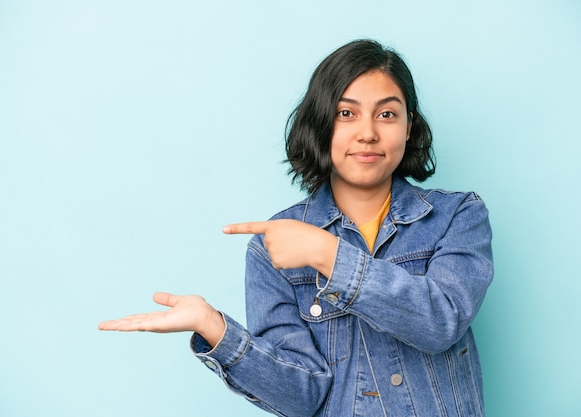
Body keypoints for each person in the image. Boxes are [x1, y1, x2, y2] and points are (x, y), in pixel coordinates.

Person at [99, 39, 494, 417]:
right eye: (346, 113)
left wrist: (328, 256)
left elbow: (441, 321)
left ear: (409, 127)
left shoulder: (458, 216)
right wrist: (214, 328)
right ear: (321, 125)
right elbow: (300, 397)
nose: (368, 132)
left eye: (387, 114)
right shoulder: (272, 245)